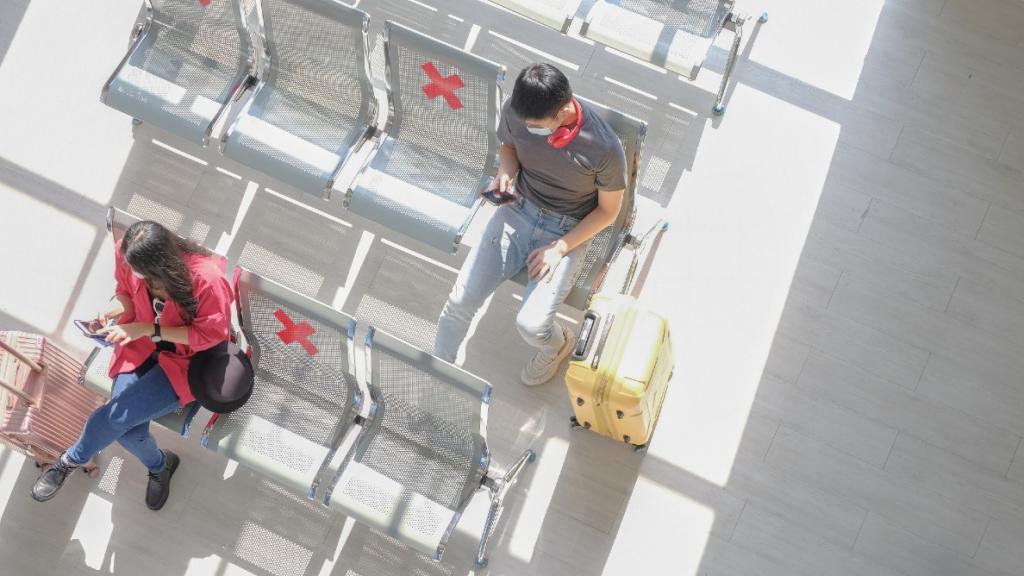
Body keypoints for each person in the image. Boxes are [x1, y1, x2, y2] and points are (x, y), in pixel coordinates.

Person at [434, 63, 627, 386]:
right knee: (459, 302)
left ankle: (559, 344)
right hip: (517, 209)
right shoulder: (517, 109)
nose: (530, 130)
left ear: (565, 111)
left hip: (566, 229)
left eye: (538, 127)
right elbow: (509, 147)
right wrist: (507, 173)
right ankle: (439, 376)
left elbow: (608, 213)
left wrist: (560, 248)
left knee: (532, 325)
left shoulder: (605, 148)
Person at [32, 221, 234, 510]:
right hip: (139, 347)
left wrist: (149, 330)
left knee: (115, 418)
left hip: (185, 362)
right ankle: (159, 466)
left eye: (143, 274)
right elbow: (125, 293)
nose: (134, 274)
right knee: (128, 430)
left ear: (162, 267)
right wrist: (110, 312)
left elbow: (209, 335)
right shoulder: (129, 255)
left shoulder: (205, 279)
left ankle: (68, 461)